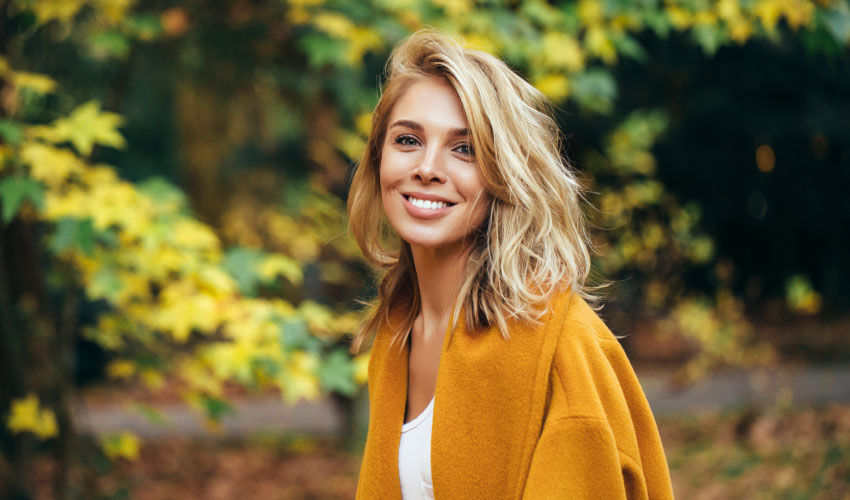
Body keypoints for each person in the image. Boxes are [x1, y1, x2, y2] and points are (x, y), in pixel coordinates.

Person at [347, 28, 674, 500]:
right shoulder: (396, 336)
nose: (428, 167)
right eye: (407, 140)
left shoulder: (559, 345)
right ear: (378, 158)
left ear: (504, 174)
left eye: (465, 149)